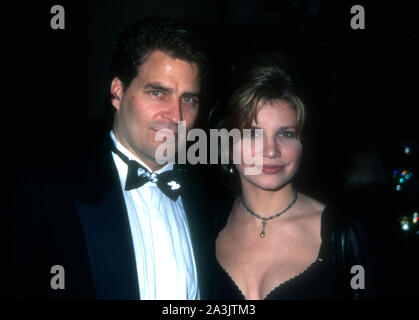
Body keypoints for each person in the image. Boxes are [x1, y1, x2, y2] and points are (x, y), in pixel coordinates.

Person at [4, 16, 217, 300]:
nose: (176, 117)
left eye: (188, 99)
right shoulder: (48, 188)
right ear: (117, 91)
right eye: (158, 93)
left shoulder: (209, 201)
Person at [210, 52, 378, 300]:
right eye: (253, 134)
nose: (270, 150)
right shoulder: (204, 225)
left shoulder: (345, 235)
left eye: (286, 134)